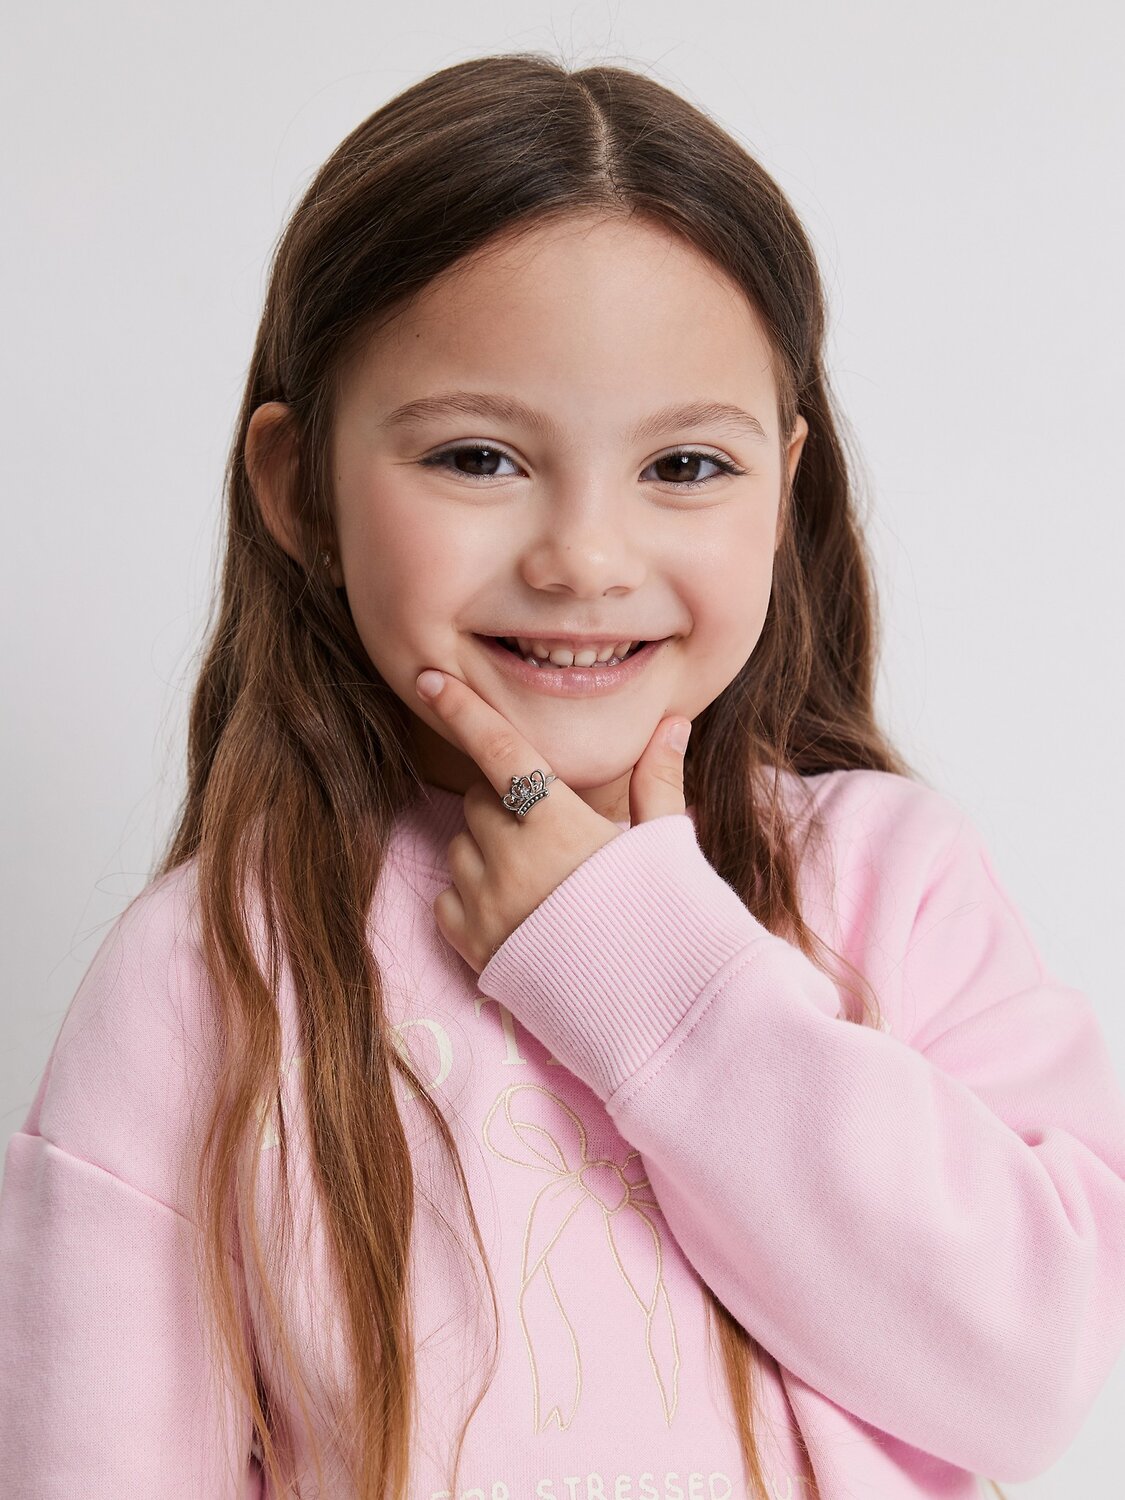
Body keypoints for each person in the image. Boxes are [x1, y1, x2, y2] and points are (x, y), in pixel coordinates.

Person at [1, 50, 1123, 1500]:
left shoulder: (885, 883)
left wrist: (644, 963)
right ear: (301, 489)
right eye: (478, 457)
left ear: (784, 488)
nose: (585, 558)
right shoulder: (205, 971)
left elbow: (1031, 1375)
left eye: (685, 467)